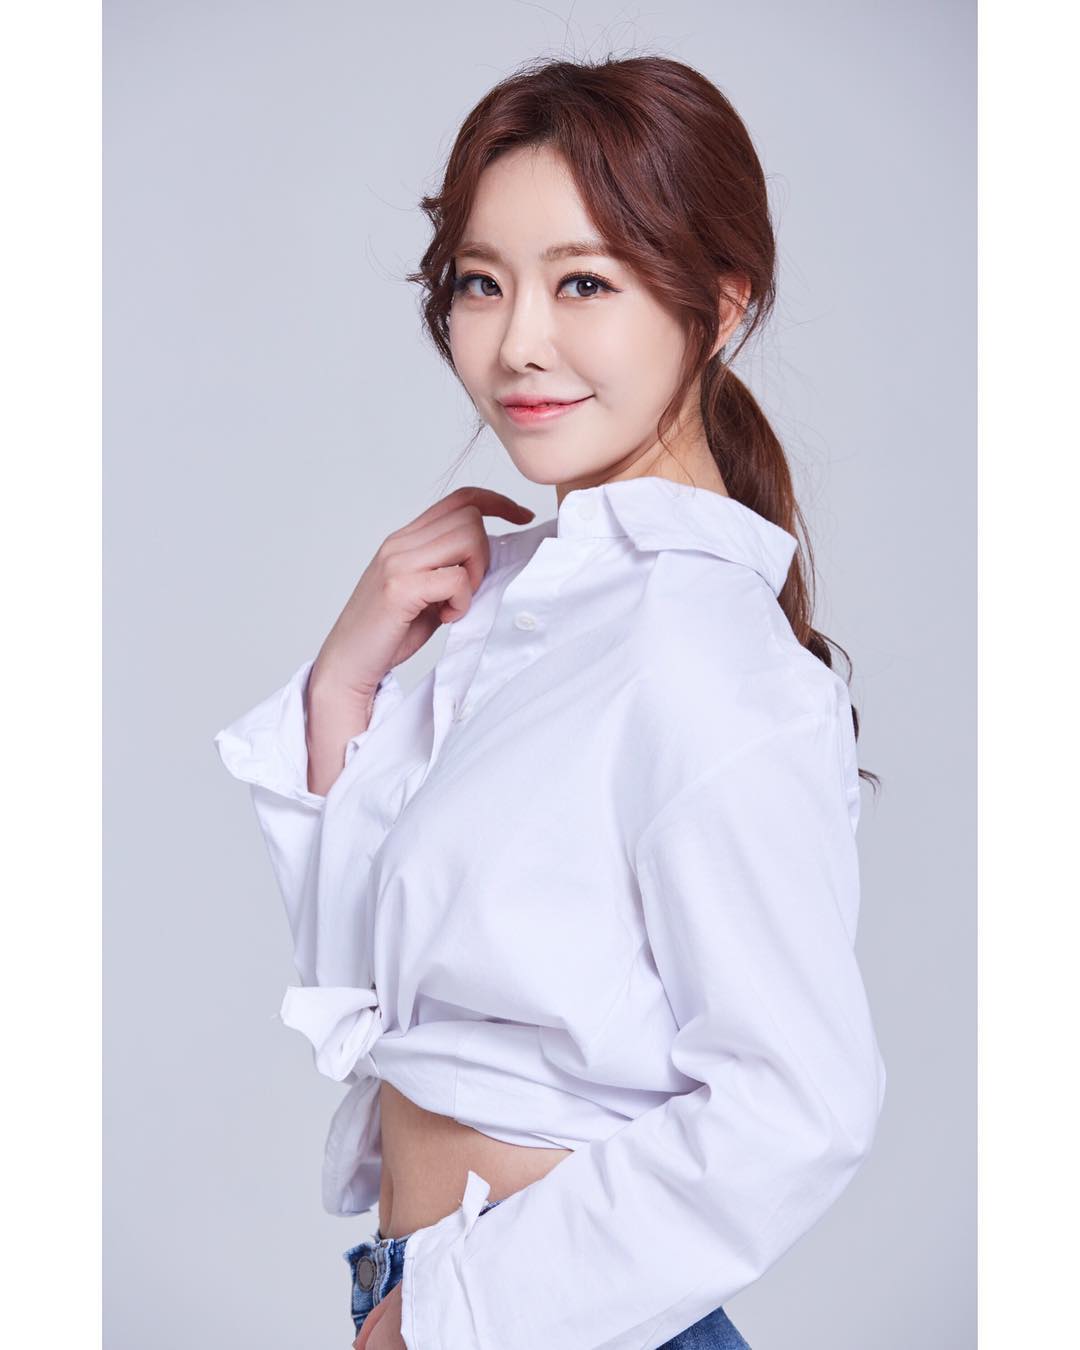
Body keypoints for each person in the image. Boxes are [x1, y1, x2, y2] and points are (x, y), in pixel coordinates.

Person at [213, 53, 887, 1350]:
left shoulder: (708, 656)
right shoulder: (524, 603)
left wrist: (452, 1315)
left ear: (721, 305)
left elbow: (799, 1106)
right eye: (482, 282)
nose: (519, 341)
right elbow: (375, 996)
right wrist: (349, 678)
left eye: (584, 282)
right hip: (423, 1293)